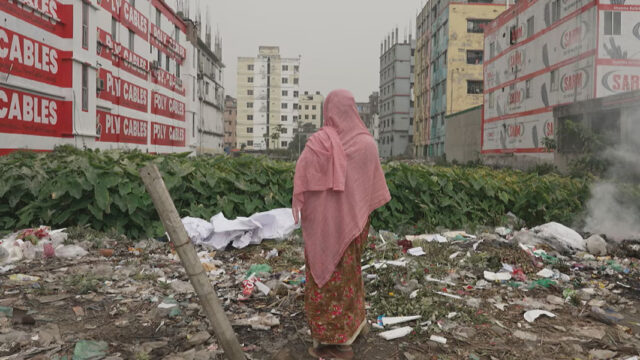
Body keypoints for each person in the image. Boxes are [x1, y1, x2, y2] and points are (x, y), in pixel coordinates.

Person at [292, 89, 391, 359]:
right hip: (353, 226)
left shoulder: (318, 143)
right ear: (353, 110)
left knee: (325, 281)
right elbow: (367, 190)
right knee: (349, 277)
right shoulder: (367, 144)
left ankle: (336, 345)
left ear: (328, 111)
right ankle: (352, 328)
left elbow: (302, 178)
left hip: (322, 228)